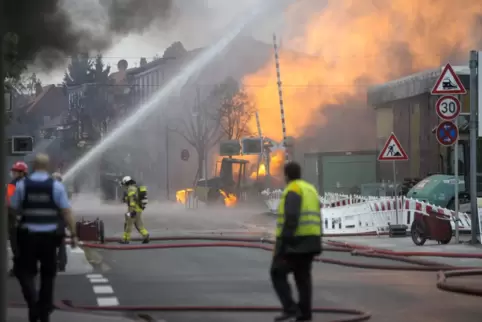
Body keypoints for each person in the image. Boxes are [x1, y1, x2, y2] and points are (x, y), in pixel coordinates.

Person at [9, 153, 79, 322]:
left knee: (23, 271)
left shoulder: (21, 186)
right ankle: (44, 309)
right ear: (47, 166)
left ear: (33, 166)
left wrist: (16, 223)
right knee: (48, 275)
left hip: (28, 237)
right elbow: (66, 212)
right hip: (49, 238)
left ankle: (33, 304)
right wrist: (74, 233)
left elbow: (11, 207)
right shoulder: (56, 186)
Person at [270, 161, 322, 322]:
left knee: (277, 272)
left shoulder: (293, 189)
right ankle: (305, 314)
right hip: (312, 241)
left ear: (286, 175)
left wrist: (283, 244)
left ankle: (290, 308)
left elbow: (291, 217)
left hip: (296, 243)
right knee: (303, 278)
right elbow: (318, 215)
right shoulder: (310, 189)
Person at [6, 161, 29, 276]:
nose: (13, 173)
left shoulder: (12, 185)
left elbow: (8, 202)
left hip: (15, 219)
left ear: (21, 173)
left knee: (16, 245)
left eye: (15, 171)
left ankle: (18, 269)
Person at [120, 175, 150, 244]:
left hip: (132, 209)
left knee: (128, 224)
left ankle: (126, 239)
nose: (124, 186)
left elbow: (132, 199)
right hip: (138, 210)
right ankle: (146, 235)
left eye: (124, 184)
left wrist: (132, 210)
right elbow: (133, 198)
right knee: (139, 224)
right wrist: (125, 198)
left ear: (126, 182)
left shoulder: (130, 188)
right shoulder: (134, 187)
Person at [51, 172, 67, 272]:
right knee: (61, 244)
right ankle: (61, 264)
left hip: (51, 222)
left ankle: (55, 263)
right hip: (60, 223)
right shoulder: (62, 191)